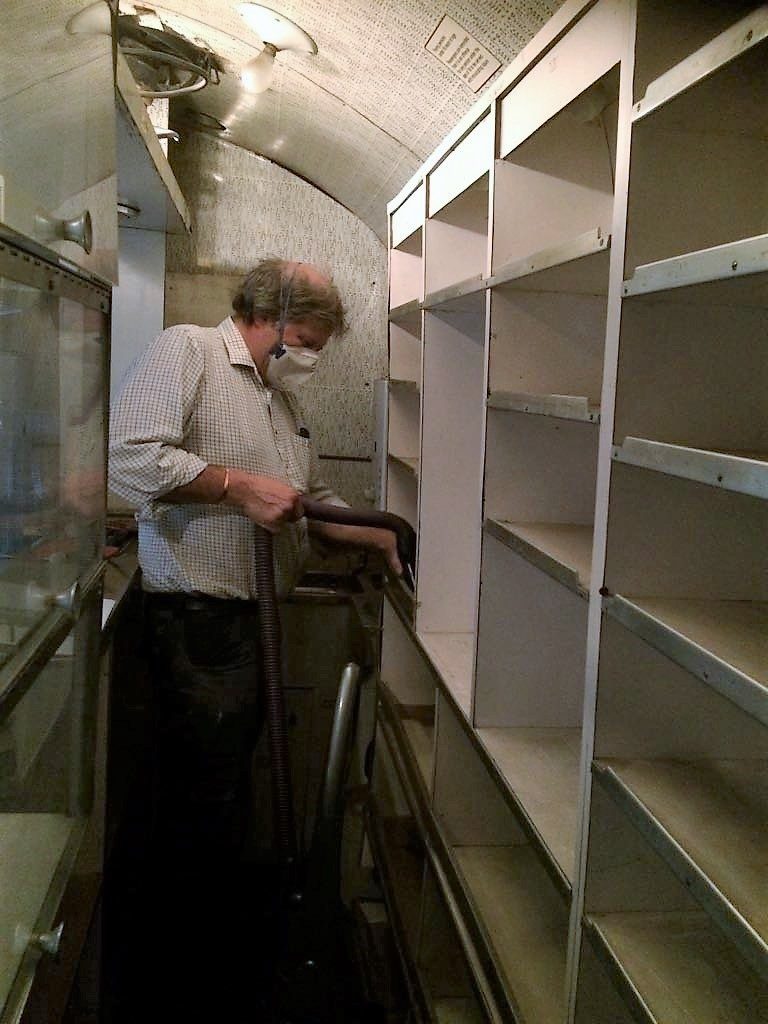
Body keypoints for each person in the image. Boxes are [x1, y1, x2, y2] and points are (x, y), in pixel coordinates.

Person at [108, 259, 399, 1012]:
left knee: (230, 791)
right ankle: (181, 972)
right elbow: (132, 456)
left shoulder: (278, 397)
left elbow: (302, 495)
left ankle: (220, 949)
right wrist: (238, 487)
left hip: (246, 623)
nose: (308, 355)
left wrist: (374, 533)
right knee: (203, 799)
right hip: (198, 621)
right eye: (302, 339)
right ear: (265, 316)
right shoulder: (189, 352)